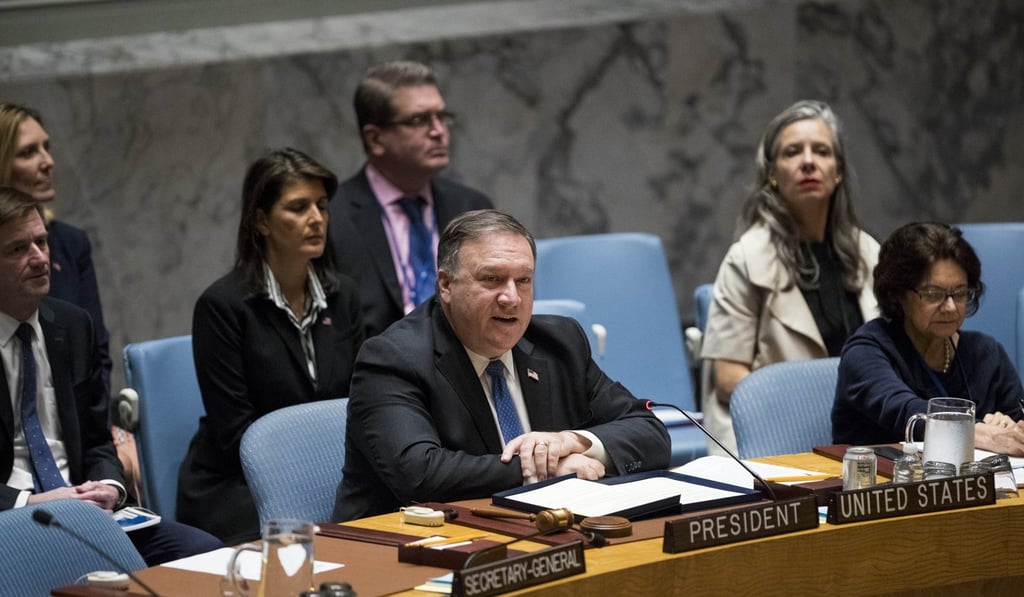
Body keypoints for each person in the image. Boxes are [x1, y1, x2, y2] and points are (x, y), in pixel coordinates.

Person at [333, 209, 670, 521]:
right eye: (492, 279)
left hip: (538, 534)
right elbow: (420, 473)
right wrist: (547, 468)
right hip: (404, 548)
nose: (512, 298)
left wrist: (573, 441)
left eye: (523, 280)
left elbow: (650, 433)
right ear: (446, 285)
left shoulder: (560, 342)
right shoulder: (393, 358)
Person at [0, 186, 220, 565]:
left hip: (87, 513)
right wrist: (30, 500)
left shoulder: (72, 326)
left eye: (41, 242)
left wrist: (110, 487)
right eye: (18, 249)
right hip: (13, 521)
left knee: (203, 554)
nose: (39, 258)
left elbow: (98, 442)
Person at [177, 149, 364, 544]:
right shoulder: (223, 307)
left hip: (333, 478)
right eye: (298, 207)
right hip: (240, 487)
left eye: (321, 206)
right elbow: (235, 435)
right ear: (261, 221)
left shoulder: (343, 295)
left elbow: (361, 400)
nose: (316, 219)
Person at [700, 100, 880, 456]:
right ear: (772, 173)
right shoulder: (746, 257)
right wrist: (818, 401)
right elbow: (726, 379)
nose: (808, 161)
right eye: (793, 152)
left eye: (822, 151)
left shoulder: (869, 252)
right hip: (777, 439)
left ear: (838, 170)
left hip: (864, 435)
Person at [330, 60, 493, 338]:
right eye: (419, 120)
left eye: (442, 117)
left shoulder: (472, 208)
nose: (439, 131)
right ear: (375, 139)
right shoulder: (332, 218)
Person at [832, 222, 1024, 454]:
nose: (951, 307)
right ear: (898, 293)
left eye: (960, 293)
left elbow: (1018, 420)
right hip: (876, 483)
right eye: (934, 294)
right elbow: (906, 412)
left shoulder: (985, 352)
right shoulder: (866, 350)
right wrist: (981, 432)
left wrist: (1008, 428)